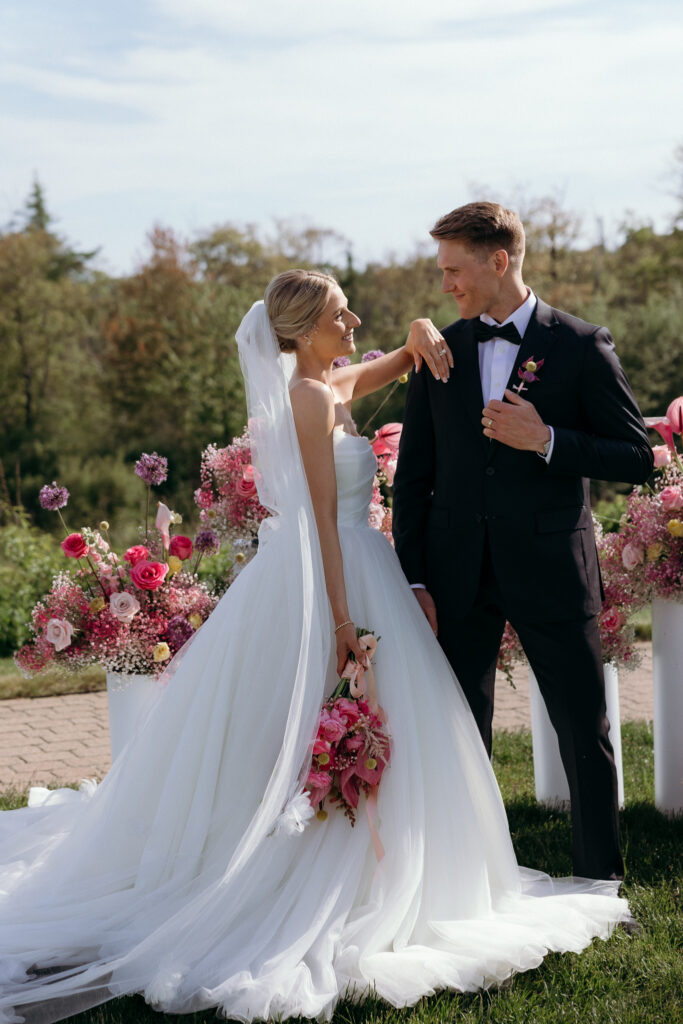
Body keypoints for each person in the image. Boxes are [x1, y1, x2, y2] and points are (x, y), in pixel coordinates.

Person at [0, 270, 632, 1024]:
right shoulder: (306, 399)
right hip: (329, 579)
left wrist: (422, 331)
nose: (353, 320)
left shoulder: (327, 384)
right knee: (328, 723)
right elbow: (319, 524)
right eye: (340, 314)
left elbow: (395, 360)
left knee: (394, 726)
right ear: (303, 331)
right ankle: (330, 877)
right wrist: (342, 624)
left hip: (362, 568)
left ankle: (389, 868)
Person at [392, 202, 654, 883]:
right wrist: (413, 579)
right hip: (454, 577)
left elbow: (635, 455)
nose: (445, 283)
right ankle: (467, 884)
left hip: (550, 569)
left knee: (582, 730)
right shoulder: (437, 352)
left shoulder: (579, 344)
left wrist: (544, 441)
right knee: (457, 732)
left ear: (497, 260)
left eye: (454, 269)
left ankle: (599, 880)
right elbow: (414, 478)